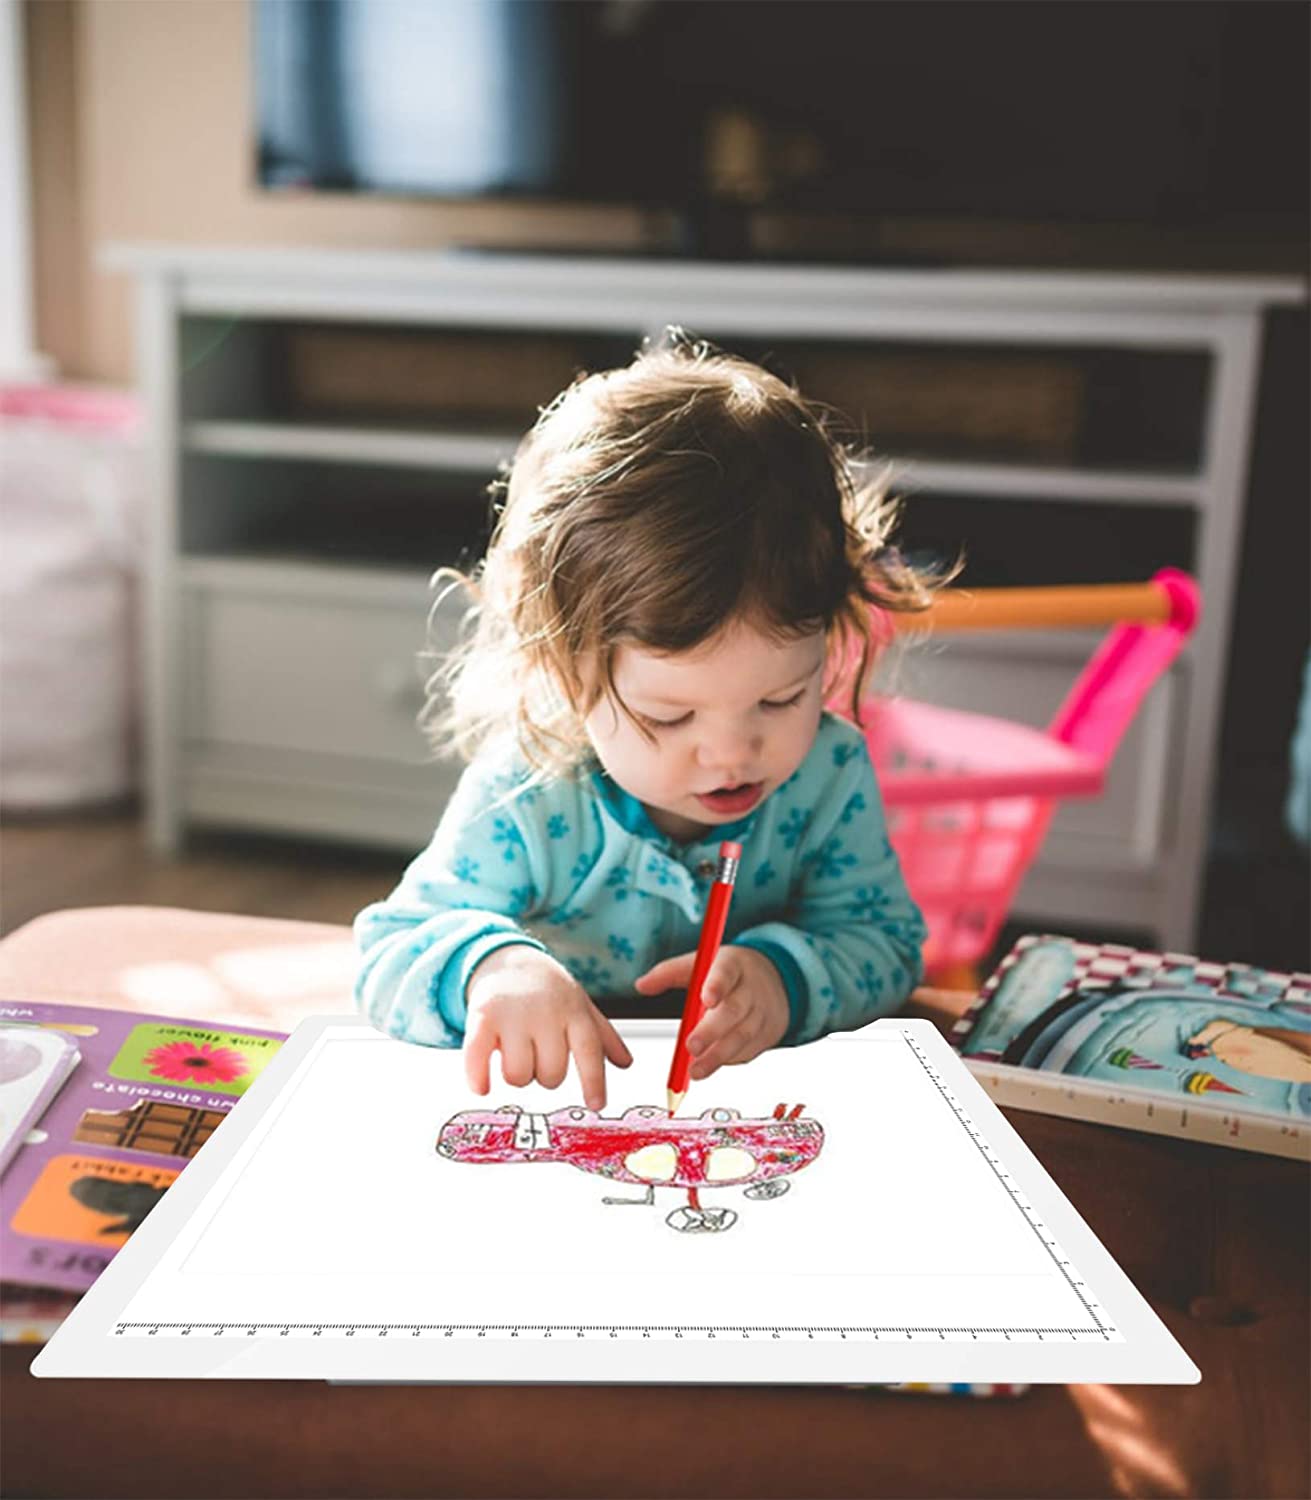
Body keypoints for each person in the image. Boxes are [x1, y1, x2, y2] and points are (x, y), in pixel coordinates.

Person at [354, 332, 944, 1110]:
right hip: (565, 1109)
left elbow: (886, 946)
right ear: (561, 669)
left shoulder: (827, 774)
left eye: (782, 699)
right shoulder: (529, 790)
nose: (734, 752)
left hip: (752, 1112)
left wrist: (785, 977)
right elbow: (389, 949)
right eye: (669, 716)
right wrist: (494, 968)